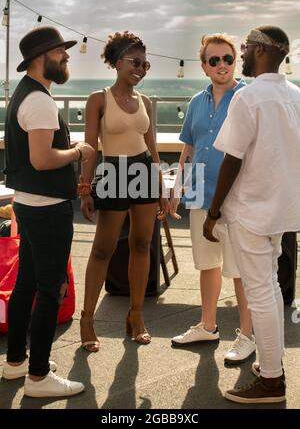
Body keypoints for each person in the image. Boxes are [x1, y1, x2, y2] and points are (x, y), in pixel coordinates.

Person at [203, 26, 296, 404]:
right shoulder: (295, 95)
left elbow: (231, 160)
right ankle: (272, 364)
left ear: (259, 50)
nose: (240, 53)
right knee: (270, 290)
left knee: (261, 293)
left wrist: (213, 211)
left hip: (252, 211)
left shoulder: (249, 97)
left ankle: (272, 380)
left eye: (243, 48)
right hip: (283, 210)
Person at [2, 26, 94, 397]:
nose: (67, 57)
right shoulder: (40, 101)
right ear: (41, 57)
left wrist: (64, 146)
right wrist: (78, 152)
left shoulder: (25, 94)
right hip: (48, 211)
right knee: (49, 289)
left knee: (25, 286)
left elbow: (32, 155)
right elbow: (42, 159)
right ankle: (38, 377)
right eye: (61, 51)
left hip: (29, 204)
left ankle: (16, 362)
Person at [79, 31, 168, 351]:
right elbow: (90, 147)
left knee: (142, 244)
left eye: (146, 64)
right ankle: (87, 319)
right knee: (103, 248)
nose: (141, 69)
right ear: (117, 63)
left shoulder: (145, 102)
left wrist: (161, 187)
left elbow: (153, 148)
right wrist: (85, 189)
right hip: (113, 171)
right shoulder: (98, 99)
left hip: (143, 170)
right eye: (135, 62)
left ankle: (136, 315)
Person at [170, 33, 256, 364]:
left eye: (227, 59)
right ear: (204, 66)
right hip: (200, 197)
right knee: (207, 265)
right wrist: (177, 189)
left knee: (240, 271)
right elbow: (188, 149)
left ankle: (247, 336)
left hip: (237, 202)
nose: (221, 65)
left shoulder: (248, 99)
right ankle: (208, 327)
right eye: (214, 60)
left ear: (236, 61)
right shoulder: (195, 102)